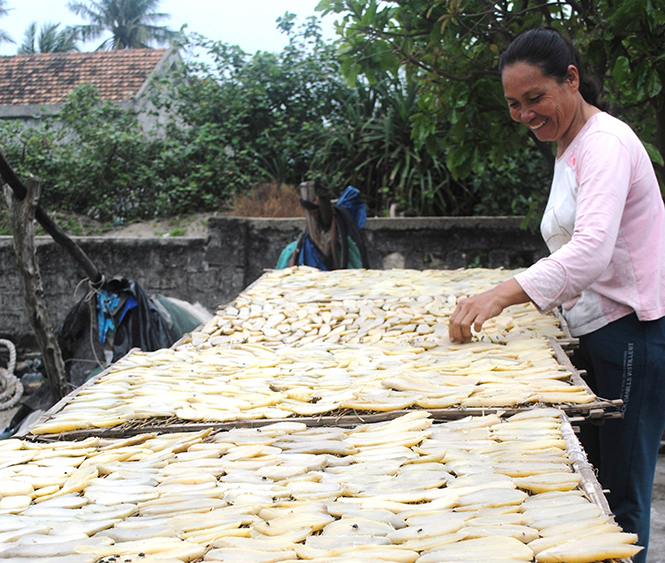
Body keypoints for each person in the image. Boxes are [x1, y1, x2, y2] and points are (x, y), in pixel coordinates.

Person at [448, 27, 665, 562]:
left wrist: (506, 293)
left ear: (571, 79)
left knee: (620, 492)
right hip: (595, 327)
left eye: (535, 98)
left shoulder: (606, 144)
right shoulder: (570, 143)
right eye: (514, 105)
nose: (525, 114)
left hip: (630, 332)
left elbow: (590, 251)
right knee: (588, 486)